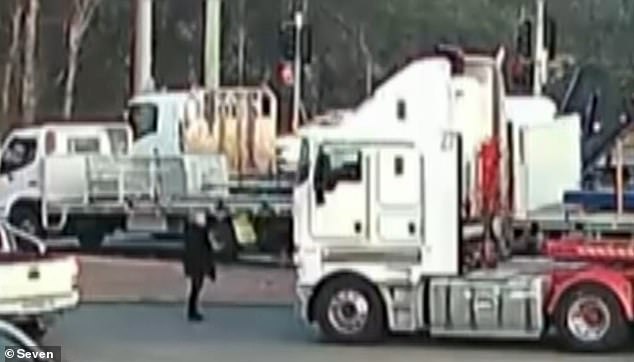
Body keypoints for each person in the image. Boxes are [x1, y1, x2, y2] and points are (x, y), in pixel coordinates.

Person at [182, 212, 216, 322]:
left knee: (196, 287)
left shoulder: (198, 231)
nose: (203, 220)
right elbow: (204, 250)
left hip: (196, 264)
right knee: (196, 288)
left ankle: (192, 310)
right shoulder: (197, 232)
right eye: (201, 218)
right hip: (196, 264)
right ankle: (192, 311)